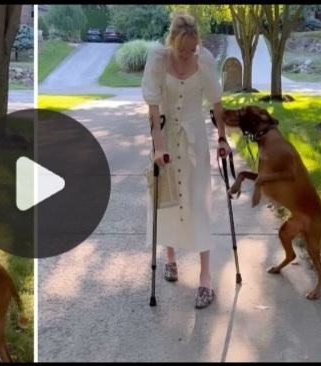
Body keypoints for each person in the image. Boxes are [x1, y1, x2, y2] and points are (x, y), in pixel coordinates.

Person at [142, 12, 231, 309]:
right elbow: (154, 110)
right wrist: (158, 146)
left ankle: (206, 279)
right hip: (166, 139)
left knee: (198, 205)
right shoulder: (159, 60)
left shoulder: (204, 60)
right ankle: (170, 259)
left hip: (194, 142)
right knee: (168, 200)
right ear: (172, 43)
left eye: (191, 49)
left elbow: (217, 104)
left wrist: (222, 139)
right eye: (182, 49)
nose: (186, 54)